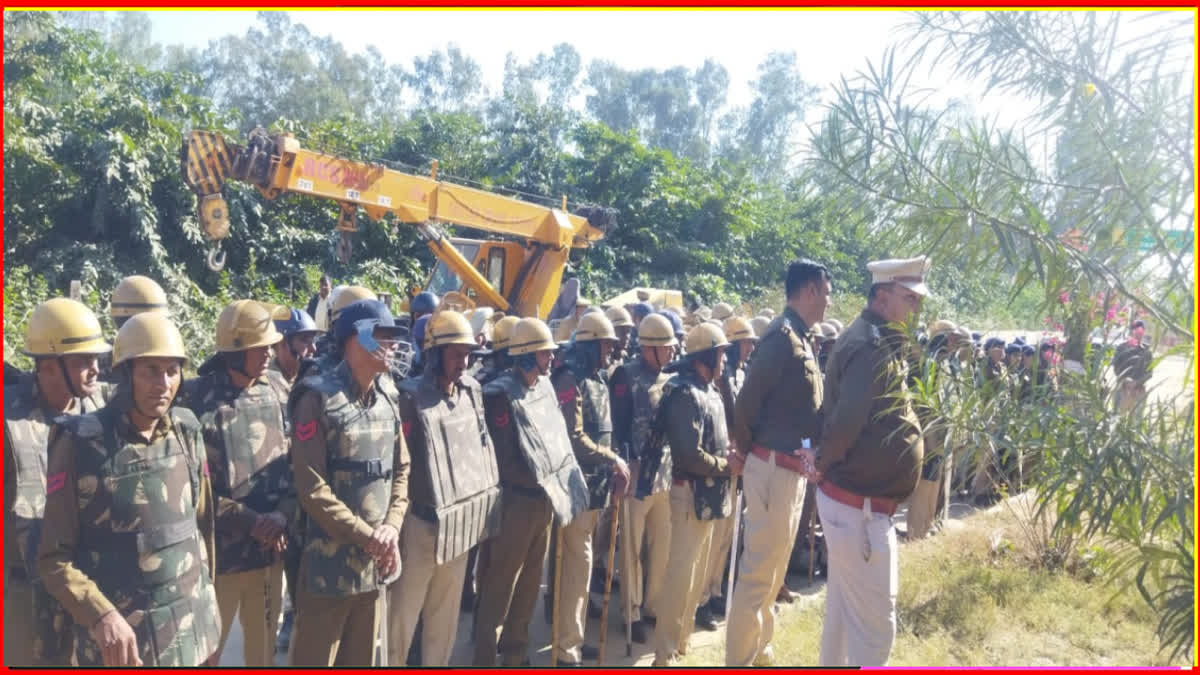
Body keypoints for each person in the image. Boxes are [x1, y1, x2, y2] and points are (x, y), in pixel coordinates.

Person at [38, 313, 221, 666]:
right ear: (125, 374)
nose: (163, 383)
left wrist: (208, 615)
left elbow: (201, 531)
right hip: (124, 649)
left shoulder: (187, 431)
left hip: (192, 637)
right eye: (150, 370)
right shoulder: (80, 442)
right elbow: (53, 561)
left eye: (172, 370)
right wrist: (100, 615)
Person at [813, 255, 929, 667]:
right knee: (876, 628)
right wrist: (823, 463)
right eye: (908, 298)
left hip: (857, 503)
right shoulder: (868, 343)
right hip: (857, 506)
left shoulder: (878, 337)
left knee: (846, 620)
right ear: (881, 297)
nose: (914, 307)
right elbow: (848, 419)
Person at [288, 299, 410, 666]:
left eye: (393, 337)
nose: (391, 345)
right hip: (329, 572)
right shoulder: (318, 398)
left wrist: (391, 527)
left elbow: (402, 469)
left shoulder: (388, 395)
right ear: (354, 340)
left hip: (374, 567)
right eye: (382, 336)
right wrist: (368, 536)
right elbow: (312, 489)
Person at [725, 259, 830, 667]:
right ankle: (740, 660)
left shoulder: (802, 338)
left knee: (771, 576)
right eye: (826, 292)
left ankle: (761, 652)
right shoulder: (782, 339)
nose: (828, 301)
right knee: (756, 578)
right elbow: (747, 404)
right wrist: (751, 452)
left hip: (787, 469)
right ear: (808, 291)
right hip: (771, 467)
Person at [178, 300, 293, 666]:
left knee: (263, 653)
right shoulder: (194, 399)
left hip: (270, 552)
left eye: (271, 345)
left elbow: (296, 463)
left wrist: (282, 516)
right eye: (260, 347)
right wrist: (250, 521)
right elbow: (190, 485)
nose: (269, 353)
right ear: (235, 350)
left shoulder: (278, 387)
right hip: (219, 561)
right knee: (208, 653)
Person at [472, 318, 589, 666]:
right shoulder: (500, 395)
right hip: (514, 502)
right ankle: (485, 657)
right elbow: (503, 459)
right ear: (525, 353)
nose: (551, 358)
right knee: (499, 586)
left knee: (529, 585)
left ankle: (515, 652)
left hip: (543, 500)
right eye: (544, 352)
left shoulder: (545, 387)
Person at [389, 310, 501, 665]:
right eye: (456, 354)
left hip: (461, 525)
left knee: (445, 618)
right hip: (420, 525)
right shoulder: (408, 397)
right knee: (402, 619)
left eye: (468, 354)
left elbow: (483, 448)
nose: (464, 363)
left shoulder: (472, 391)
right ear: (434, 355)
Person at [6, 299, 110, 665]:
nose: (96, 369)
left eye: (96, 358)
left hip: (87, 590)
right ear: (48, 366)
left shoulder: (101, 410)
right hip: (23, 597)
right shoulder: (10, 420)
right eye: (83, 361)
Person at [544, 313, 631, 664]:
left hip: (596, 489)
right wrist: (613, 459)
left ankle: (572, 639)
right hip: (576, 489)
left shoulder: (597, 378)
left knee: (581, 569)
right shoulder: (571, 378)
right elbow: (574, 438)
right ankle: (567, 649)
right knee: (575, 571)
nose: (611, 350)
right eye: (606, 344)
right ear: (591, 345)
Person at [651, 323, 737, 667]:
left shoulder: (709, 390)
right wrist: (728, 467)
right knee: (680, 576)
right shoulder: (683, 394)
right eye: (720, 354)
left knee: (697, 576)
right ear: (705, 356)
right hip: (689, 496)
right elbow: (689, 456)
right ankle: (665, 652)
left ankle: (680, 643)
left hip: (710, 497)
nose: (725, 360)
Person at [609, 313, 678, 644]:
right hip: (636, 477)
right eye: (665, 348)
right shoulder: (625, 376)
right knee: (632, 549)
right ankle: (632, 611)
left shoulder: (670, 378)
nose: (670, 353)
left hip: (664, 477)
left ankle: (652, 604)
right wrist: (622, 465)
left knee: (661, 545)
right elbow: (618, 426)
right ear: (649, 348)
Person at [695, 316, 758, 630]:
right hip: (721, 460)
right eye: (745, 342)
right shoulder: (719, 379)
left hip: (737, 460)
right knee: (715, 534)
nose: (750, 347)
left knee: (726, 536)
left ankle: (716, 590)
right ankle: (702, 599)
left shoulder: (741, 373)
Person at [268, 308, 323, 653]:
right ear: (282, 344)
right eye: (304, 340)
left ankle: (298, 614)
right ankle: (288, 617)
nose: (311, 349)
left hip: (301, 486)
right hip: (277, 491)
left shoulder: (305, 381)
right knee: (287, 559)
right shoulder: (269, 382)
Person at [904, 319, 956, 541]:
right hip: (927, 426)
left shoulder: (945, 361)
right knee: (926, 478)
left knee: (935, 478)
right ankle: (917, 530)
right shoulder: (928, 359)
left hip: (939, 425)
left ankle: (926, 525)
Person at [1112, 319, 1152, 412]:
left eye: (1141, 330)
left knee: (1135, 423)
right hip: (1123, 388)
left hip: (1139, 390)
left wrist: (1137, 382)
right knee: (1117, 418)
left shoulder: (1146, 351)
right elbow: (1116, 367)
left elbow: (1150, 372)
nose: (1138, 332)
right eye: (1136, 329)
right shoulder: (1121, 348)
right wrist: (1125, 380)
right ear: (1131, 331)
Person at [606, 306, 635, 370]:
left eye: (628, 331)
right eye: (622, 331)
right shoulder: (603, 362)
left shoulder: (625, 358)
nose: (627, 336)